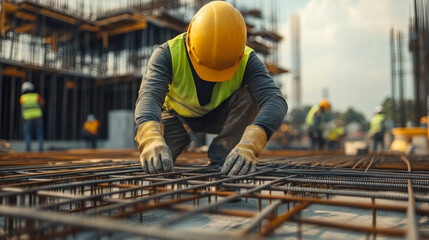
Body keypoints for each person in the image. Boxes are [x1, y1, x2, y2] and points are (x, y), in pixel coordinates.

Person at [134, 1, 287, 176]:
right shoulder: (167, 54)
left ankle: (222, 157)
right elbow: (149, 97)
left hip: (219, 116)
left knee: (249, 98)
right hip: (178, 118)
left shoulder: (246, 59)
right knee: (157, 161)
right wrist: (151, 139)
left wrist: (251, 143)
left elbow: (275, 101)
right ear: (190, 39)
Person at [20, 81, 45, 152]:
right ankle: (40, 147)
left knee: (28, 134)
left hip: (27, 119)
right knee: (39, 133)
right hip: (37, 118)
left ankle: (28, 148)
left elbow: (22, 106)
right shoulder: (36, 96)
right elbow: (42, 102)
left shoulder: (22, 98)